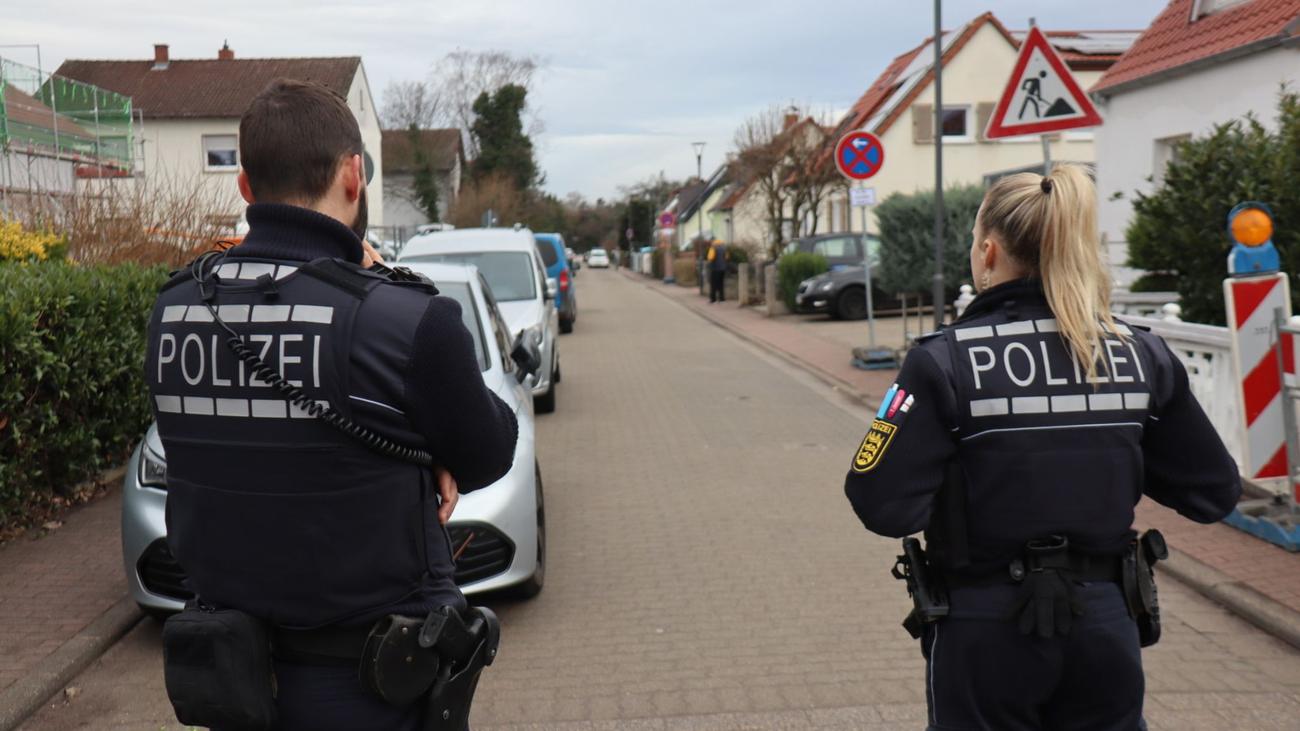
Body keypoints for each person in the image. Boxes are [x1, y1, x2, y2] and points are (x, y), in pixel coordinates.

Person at [145, 79, 518, 730]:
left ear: (244, 187)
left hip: (233, 685)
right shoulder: (404, 320)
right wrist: (428, 447)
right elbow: (488, 450)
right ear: (354, 175)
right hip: (371, 692)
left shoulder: (175, 310)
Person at [843, 164, 1240, 730]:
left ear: (987, 252)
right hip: (1107, 621)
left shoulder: (942, 361)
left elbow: (880, 503)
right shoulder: (1141, 355)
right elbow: (1213, 493)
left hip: (983, 627)